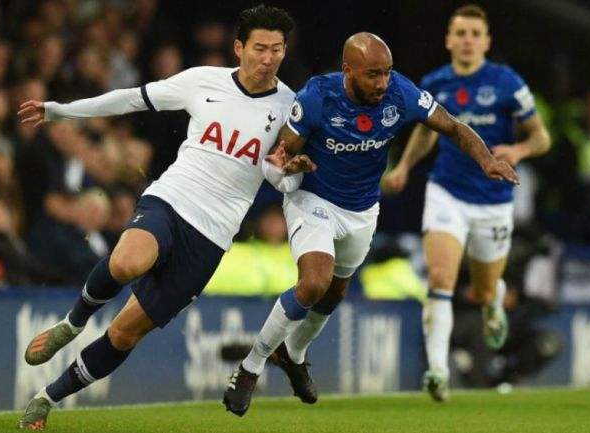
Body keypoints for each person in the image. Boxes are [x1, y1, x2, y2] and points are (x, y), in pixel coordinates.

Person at [15, 5, 314, 430]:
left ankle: (46, 398)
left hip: (211, 237)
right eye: (260, 48)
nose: (268, 58)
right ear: (239, 48)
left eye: (278, 50)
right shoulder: (202, 81)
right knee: (125, 263)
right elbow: (131, 99)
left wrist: (288, 174)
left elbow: (277, 176)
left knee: (124, 334)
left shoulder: (290, 107)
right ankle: (73, 321)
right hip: (172, 200)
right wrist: (61, 110)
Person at [223, 31, 520, 417]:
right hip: (313, 201)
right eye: (373, 75)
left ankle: (292, 353)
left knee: (334, 295)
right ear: (348, 70)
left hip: (363, 210)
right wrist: (287, 167)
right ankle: (250, 368)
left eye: (387, 73)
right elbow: (279, 156)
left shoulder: (401, 93)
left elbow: (454, 127)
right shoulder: (317, 96)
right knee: (314, 283)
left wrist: (487, 161)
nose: (382, 83)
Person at [383, 4, 551, 401]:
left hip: (493, 200)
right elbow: (426, 133)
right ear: (448, 40)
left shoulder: (507, 82)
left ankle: (493, 299)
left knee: (481, 289)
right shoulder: (435, 83)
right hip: (447, 191)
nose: (467, 40)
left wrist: (521, 149)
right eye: (460, 33)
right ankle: (438, 371)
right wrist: (405, 165)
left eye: (475, 33)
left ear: (486, 42)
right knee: (440, 279)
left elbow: (542, 136)